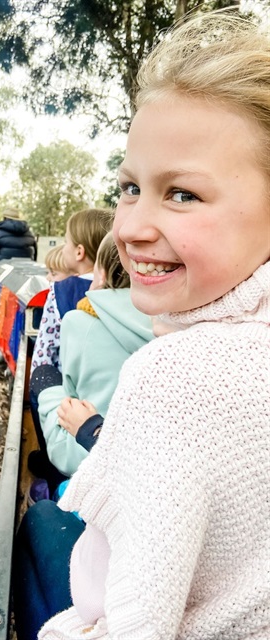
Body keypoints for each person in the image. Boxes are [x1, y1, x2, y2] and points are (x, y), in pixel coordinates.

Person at [34, 11, 270, 640]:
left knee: (38, 528)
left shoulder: (172, 379)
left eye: (183, 194)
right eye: (130, 187)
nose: (129, 228)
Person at [37, 232, 154, 477]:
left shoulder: (80, 320)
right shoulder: (172, 322)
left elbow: (71, 394)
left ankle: (47, 473)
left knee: (44, 376)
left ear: (100, 273)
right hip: (143, 456)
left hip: (85, 447)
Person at [31, 208, 114, 374]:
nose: (63, 247)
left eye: (66, 241)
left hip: (67, 390)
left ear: (79, 252)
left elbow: (45, 352)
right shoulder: (122, 289)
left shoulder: (59, 291)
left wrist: (41, 394)